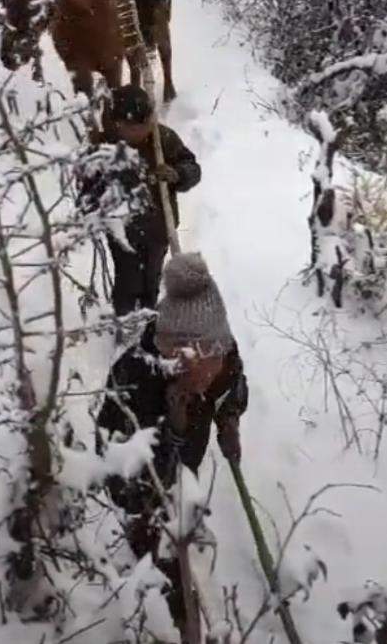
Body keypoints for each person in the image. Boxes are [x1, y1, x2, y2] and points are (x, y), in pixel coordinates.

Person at [96, 252, 248, 632]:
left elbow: (234, 378)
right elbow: (121, 481)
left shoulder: (219, 355)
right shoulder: (133, 383)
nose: (215, 368)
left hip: (187, 460)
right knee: (159, 555)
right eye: (206, 361)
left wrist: (229, 415)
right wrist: (174, 433)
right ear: (179, 356)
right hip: (147, 494)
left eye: (218, 355)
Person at [79, 85, 201, 316]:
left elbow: (192, 167)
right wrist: (96, 207)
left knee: (151, 280)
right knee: (127, 281)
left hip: (159, 228)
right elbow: (88, 192)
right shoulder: (104, 149)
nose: (141, 132)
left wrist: (178, 174)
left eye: (146, 125)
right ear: (118, 124)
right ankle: (125, 324)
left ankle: (148, 321)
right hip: (123, 232)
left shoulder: (163, 139)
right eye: (133, 128)